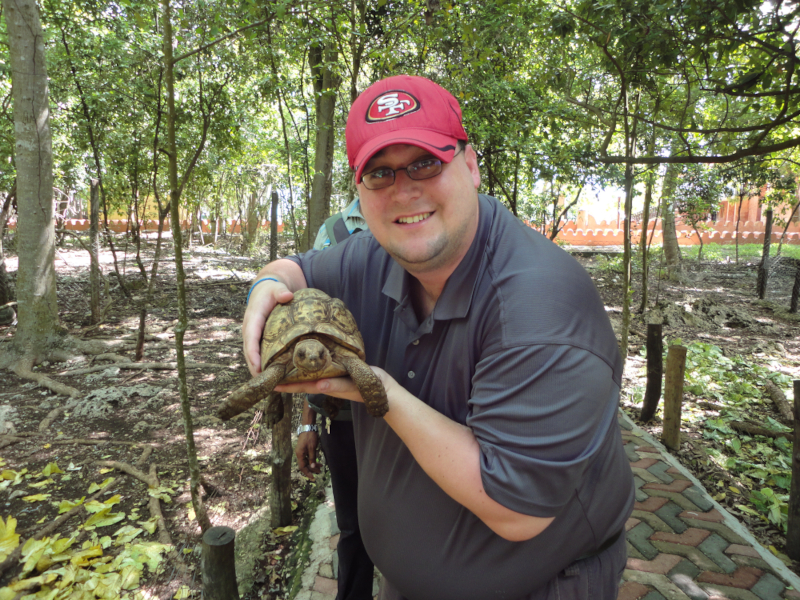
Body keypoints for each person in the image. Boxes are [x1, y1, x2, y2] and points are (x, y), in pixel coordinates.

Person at [243, 75, 634, 600]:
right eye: (380, 172)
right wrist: (265, 286)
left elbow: (516, 509)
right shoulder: (378, 255)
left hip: (539, 586)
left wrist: (377, 389)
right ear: (359, 191)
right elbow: (297, 268)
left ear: (470, 165)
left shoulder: (539, 308)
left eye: (425, 162)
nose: (404, 189)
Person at [295, 196, 375, 600]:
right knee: (353, 524)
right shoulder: (333, 233)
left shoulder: (418, 228)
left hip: (407, 405)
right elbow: (311, 336)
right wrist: (307, 421)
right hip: (340, 413)